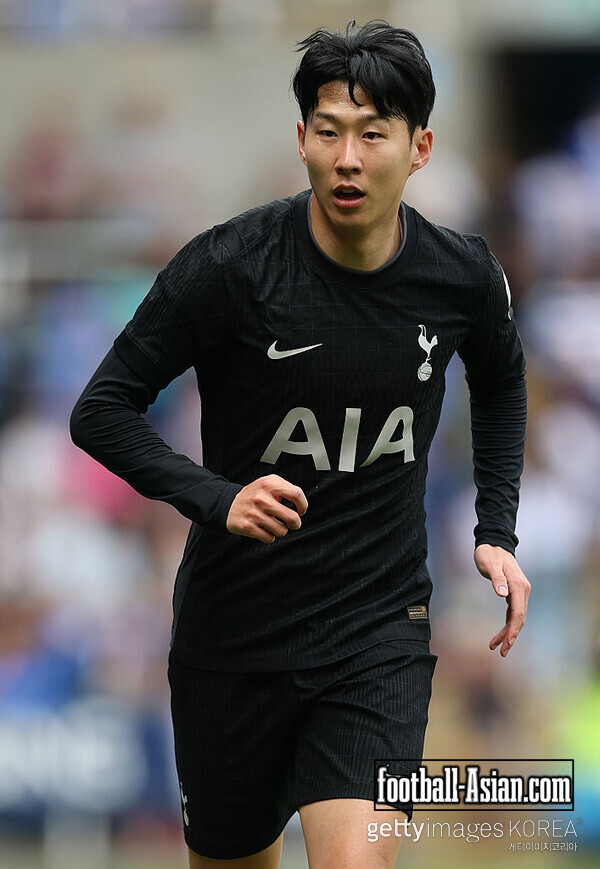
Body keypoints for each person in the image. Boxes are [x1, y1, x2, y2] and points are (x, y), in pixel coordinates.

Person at [70, 20, 530, 869]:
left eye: (372, 134)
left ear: (420, 146)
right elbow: (100, 411)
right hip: (233, 637)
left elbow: (502, 377)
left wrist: (495, 528)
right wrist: (219, 497)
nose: (347, 157)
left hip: (378, 632)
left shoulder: (462, 274)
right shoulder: (228, 267)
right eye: (328, 132)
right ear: (302, 139)